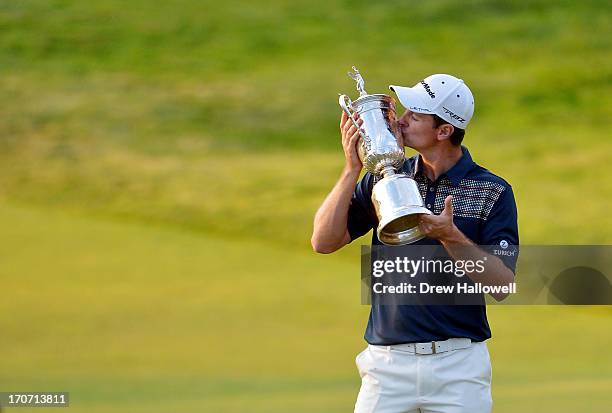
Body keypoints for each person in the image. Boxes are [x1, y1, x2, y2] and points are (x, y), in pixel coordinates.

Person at [311, 74, 519, 413]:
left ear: (444, 130)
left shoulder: (492, 190)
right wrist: (352, 169)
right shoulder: (385, 177)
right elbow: (323, 241)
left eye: (415, 116)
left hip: (458, 368)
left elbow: (502, 284)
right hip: (387, 365)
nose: (400, 121)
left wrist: (449, 235)